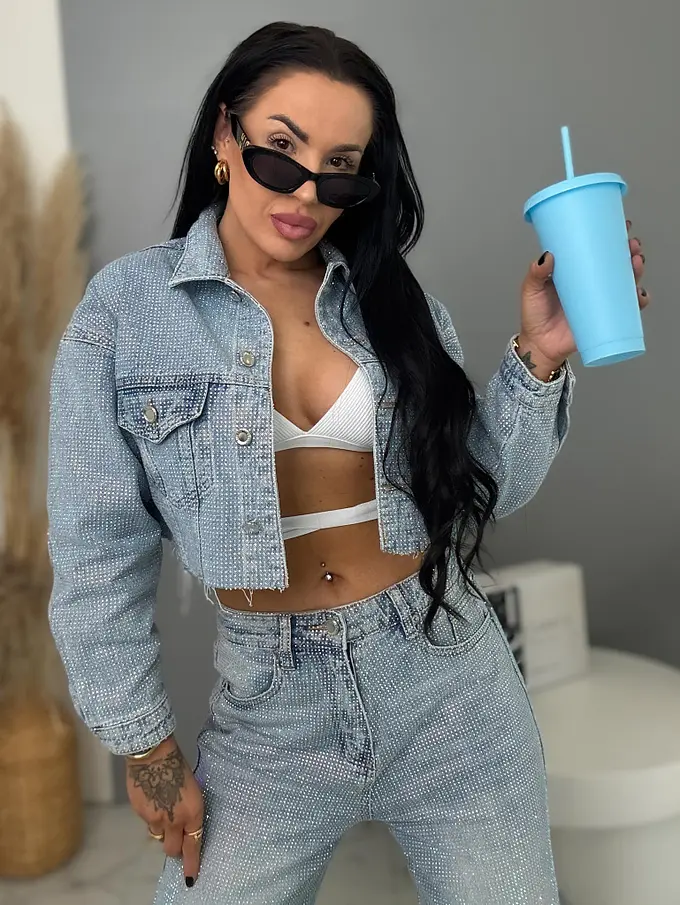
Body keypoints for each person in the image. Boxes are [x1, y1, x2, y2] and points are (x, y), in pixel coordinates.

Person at [46, 20, 649, 905]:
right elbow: (97, 549)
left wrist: (541, 355)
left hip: (447, 681)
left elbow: (481, 487)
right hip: (269, 711)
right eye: (280, 152)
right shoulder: (127, 312)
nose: (306, 192)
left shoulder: (391, 303)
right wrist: (146, 744)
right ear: (224, 136)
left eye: (339, 169)